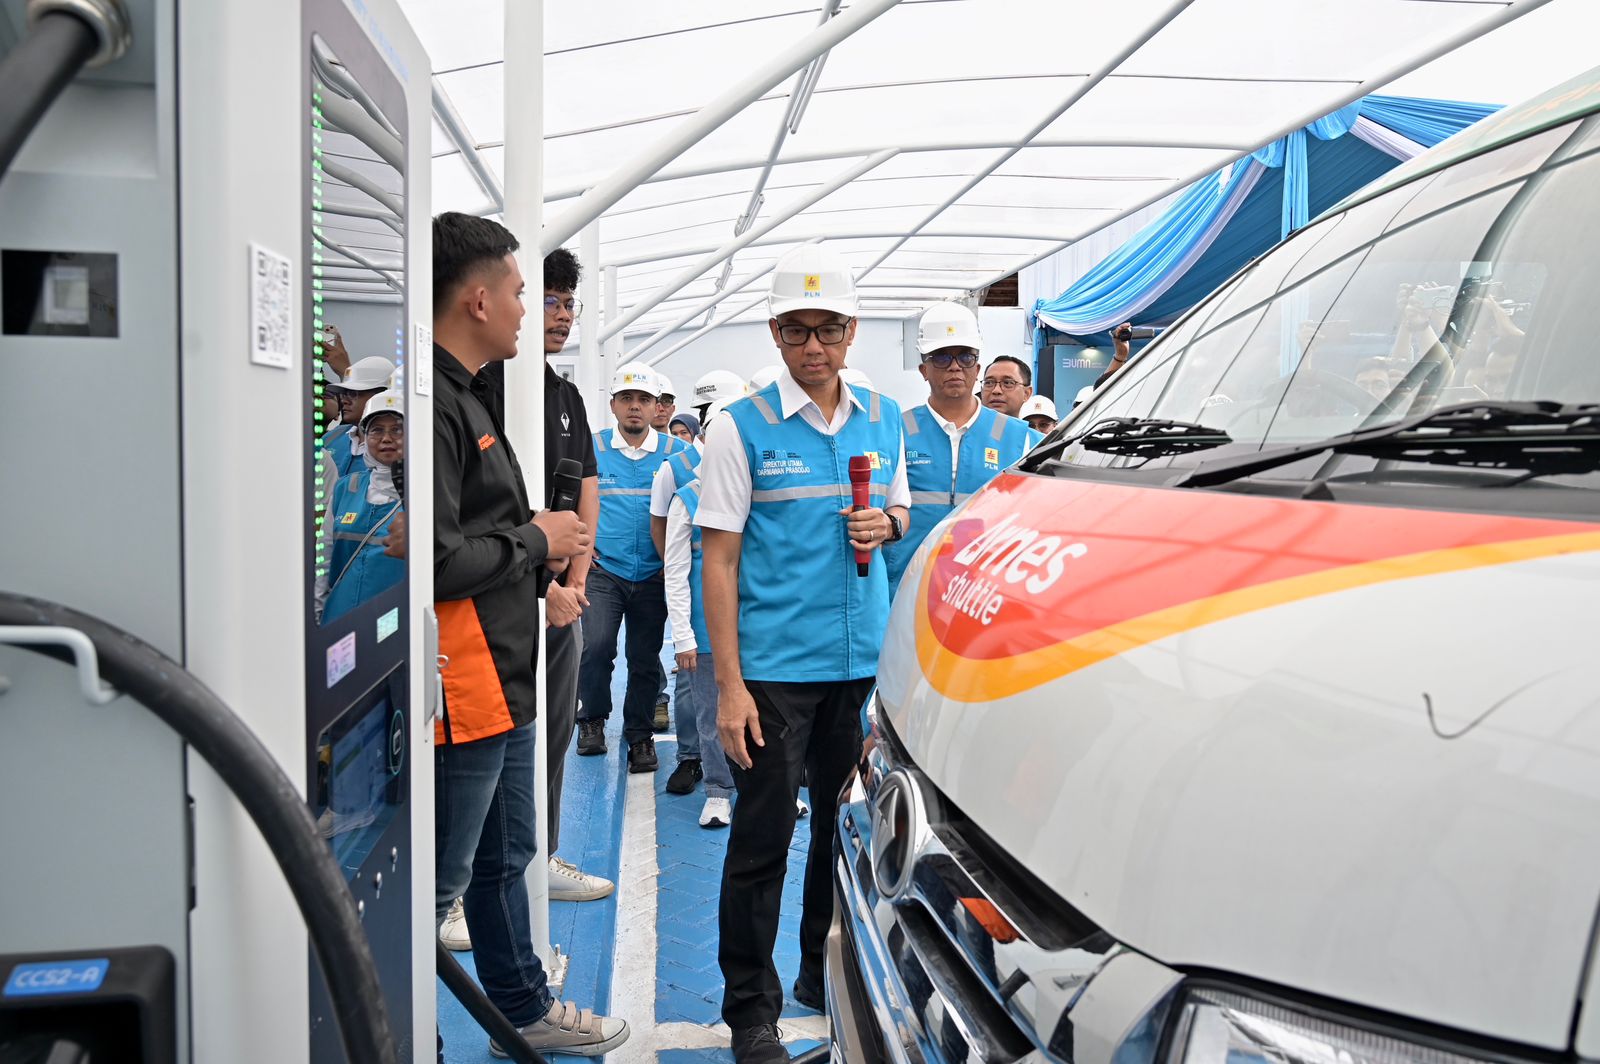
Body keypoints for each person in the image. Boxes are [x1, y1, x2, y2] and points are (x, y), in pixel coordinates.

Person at [695, 243, 910, 1064]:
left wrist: (887, 523)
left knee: (840, 831)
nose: (812, 346)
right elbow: (718, 561)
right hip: (775, 676)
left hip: (859, 668)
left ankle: (822, 970)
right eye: (795, 329)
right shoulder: (739, 428)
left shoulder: (883, 417)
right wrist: (729, 687)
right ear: (775, 333)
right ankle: (751, 1010)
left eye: (827, 329)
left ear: (852, 331)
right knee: (760, 845)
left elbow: (897, 510)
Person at [430, 211, 626, 1058]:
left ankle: (522, 1007)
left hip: (505, 668)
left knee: (507, 853)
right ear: (478, 300)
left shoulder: (472, 396)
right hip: (468, 679)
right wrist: (537, 542)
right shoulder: (439, 405)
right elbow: (440, 559)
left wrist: (539, 582)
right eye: (520, 292)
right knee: (438, 882)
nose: (529, 308)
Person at [575, 363, 687, 772]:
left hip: (655, 574)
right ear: (613, 405)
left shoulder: (678, 453)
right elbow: (570, 502)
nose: (634, 407)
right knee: (597, 646)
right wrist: (581, 553)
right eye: (626, 399)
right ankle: (592, 719)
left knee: (644, 657)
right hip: (604, 571)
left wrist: (675, 562)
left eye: (643, 399)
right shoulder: (591, 448)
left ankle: (639, 735)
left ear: (657, 406)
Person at [883, 303, 1038, 594]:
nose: (955, 366)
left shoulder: (1021, 438)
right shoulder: (895, 431)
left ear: (977, 368)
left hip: (984, 595)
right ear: (924, 370)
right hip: (907, 591)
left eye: (965, 356)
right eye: (941, 357)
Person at [662, 400, 738, 823]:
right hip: (707, 629)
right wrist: (683, 637)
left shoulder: (754, 493)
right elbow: (675, 572)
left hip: (756, 628)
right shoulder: (687, 498)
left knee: (763, 711)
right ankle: (718, 789)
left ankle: (761, 789)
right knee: (711, 713)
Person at [316, 387, 406, 624]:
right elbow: (324, 558)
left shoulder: (427, 493)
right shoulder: (346, 488)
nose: (386, 438)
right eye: (376, 430)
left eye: (397, 429)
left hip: (393, 623)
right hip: (339, 619)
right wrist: (317, 613)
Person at [325, 355, 395, 477]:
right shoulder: (331, 437)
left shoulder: (398, 446)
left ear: (383, 395)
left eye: (353, 393)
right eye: (343, 394)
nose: (344, 400)